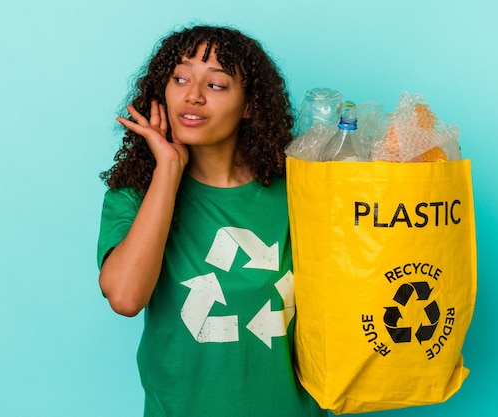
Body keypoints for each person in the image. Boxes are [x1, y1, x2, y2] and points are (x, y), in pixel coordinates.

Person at [97, 25, 327, 417]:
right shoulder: (134, 195)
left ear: (251, 104)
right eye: (180, 78)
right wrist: (168, 170)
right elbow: (125, 297)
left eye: (216, 85)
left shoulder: (300, 191)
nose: (193, 96)